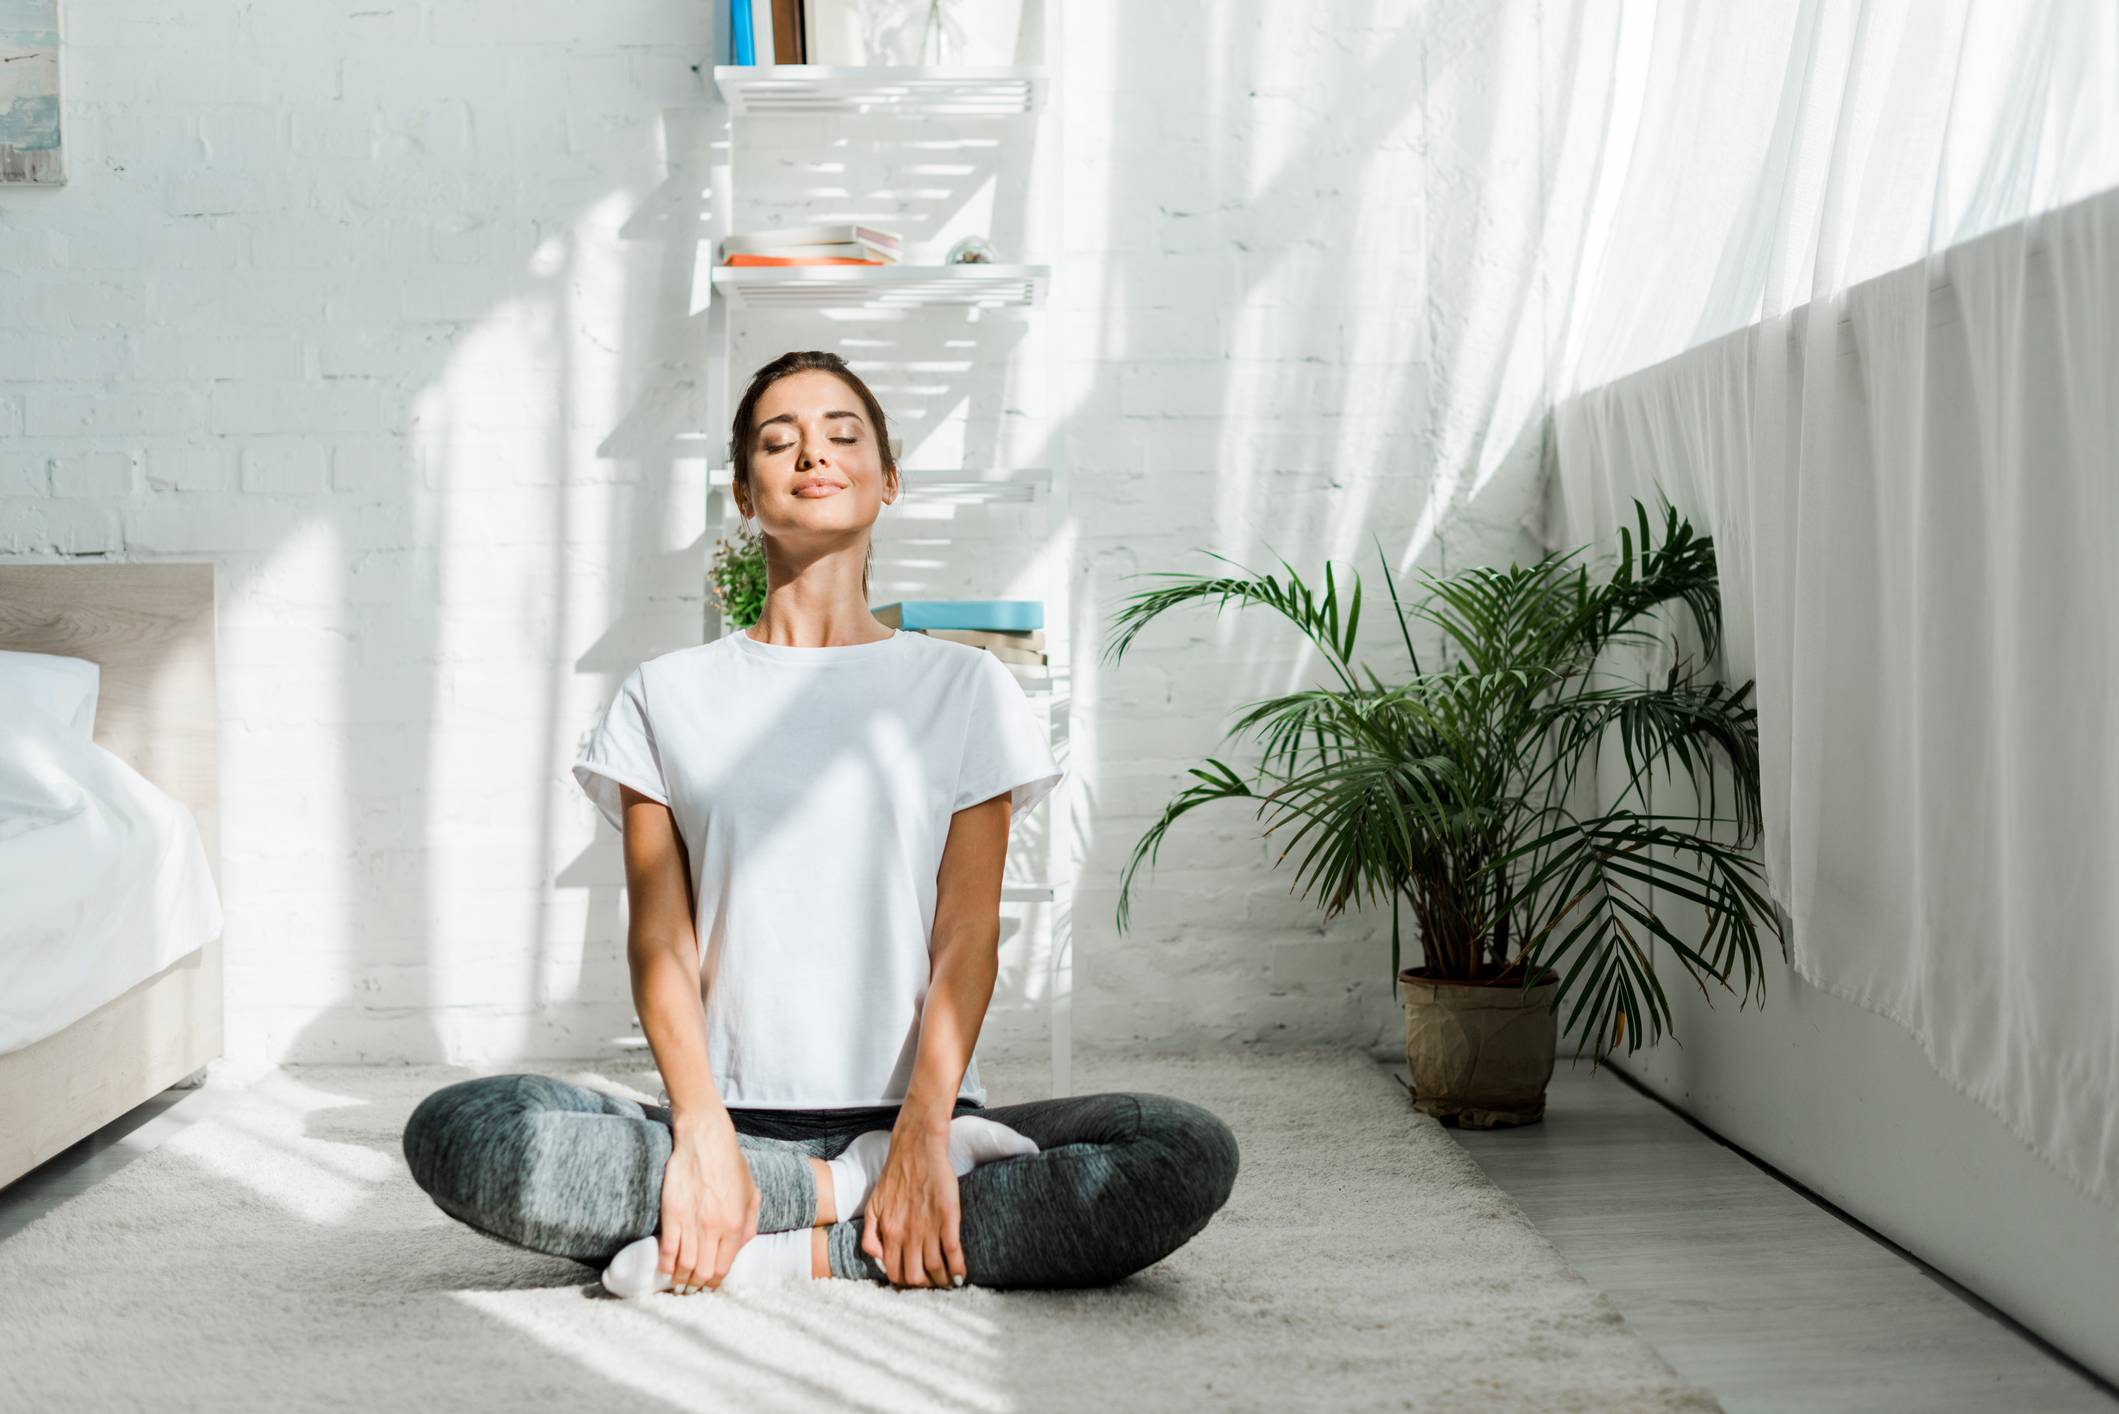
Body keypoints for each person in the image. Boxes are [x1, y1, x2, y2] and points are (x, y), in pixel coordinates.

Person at [401, 350, 1239, 1296]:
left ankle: (783, 1238)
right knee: (464, 1131)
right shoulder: (664, 695)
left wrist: (922, 1131)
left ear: (887, 480)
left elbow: (966, 934)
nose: (813, 452)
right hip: (730, 1114)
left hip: (924, 1110)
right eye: (777, 439)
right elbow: (660, 943)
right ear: (744, 492)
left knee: (1180, 1149)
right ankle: (849, 1195)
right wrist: (703, 1132)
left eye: (843, 434)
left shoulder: (965, 687)